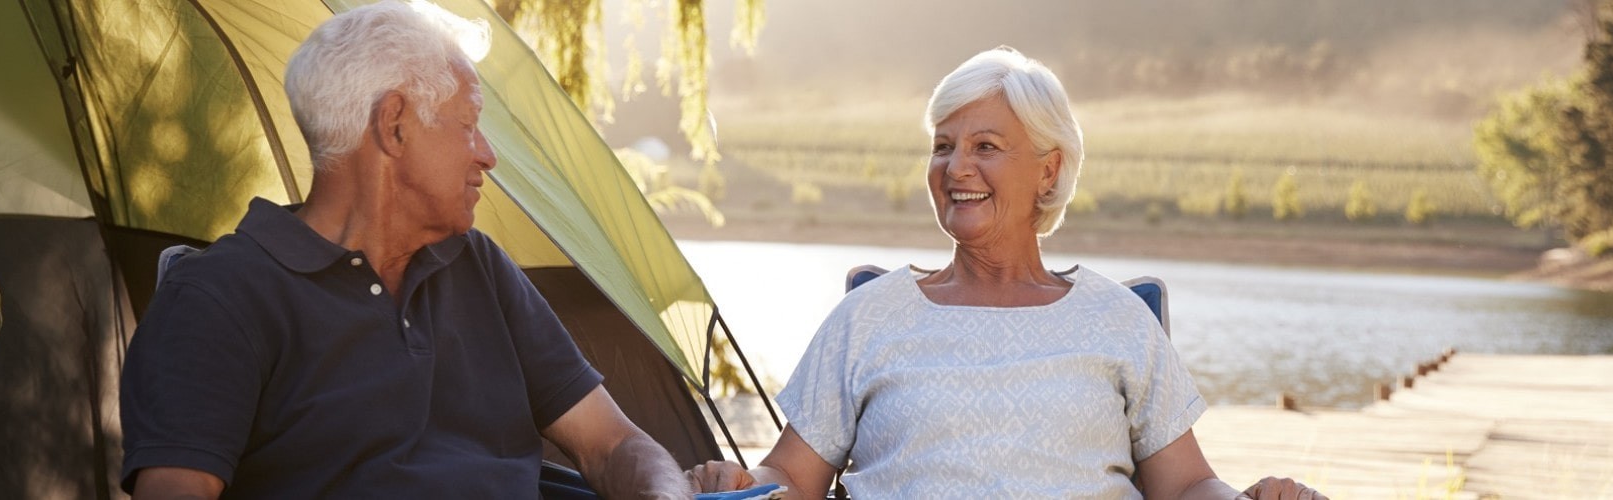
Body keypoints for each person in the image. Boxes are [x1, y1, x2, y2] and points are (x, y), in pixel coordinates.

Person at [688, 47, 1326, 499]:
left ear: (1048, 170)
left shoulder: (1115, 319)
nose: (955, 168)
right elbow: (793, 479)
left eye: (985, 147)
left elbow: (1185, 486)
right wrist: (742, 484)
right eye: (943, 146)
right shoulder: (870, 315)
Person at [119, 2, 691, 498]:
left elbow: (612, 446)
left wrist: (667, 495)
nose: (488, 155)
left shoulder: (479, 266)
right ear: (393, 125)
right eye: (468, 124)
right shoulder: (220, 296)